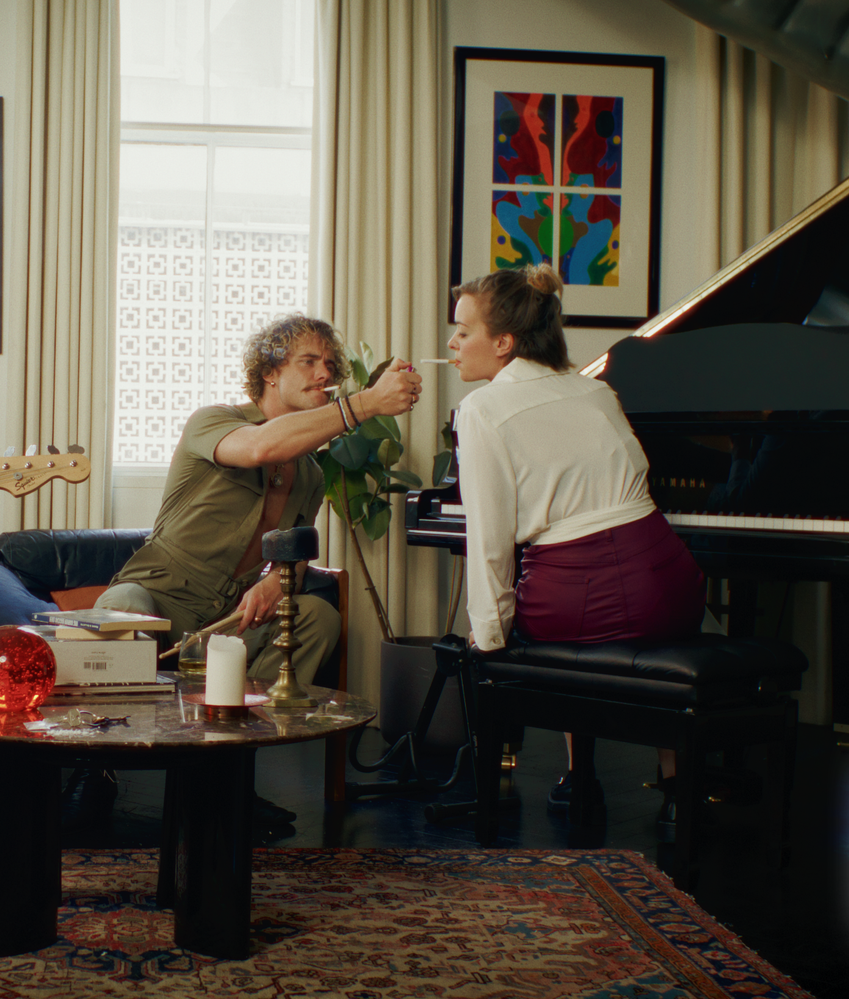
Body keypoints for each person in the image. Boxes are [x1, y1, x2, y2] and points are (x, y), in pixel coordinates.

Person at [75, 314, 424, 830]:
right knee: (124, 609)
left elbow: (297, 548)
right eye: (307, 362)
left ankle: (227, 774)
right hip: (160, 589)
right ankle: (93, 771)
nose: (323, 373)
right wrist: (367, 402)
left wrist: (273, 579)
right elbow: (261, 447)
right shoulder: (213, 421)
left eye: (329, 365)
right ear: (269, 373)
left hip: (230, 610)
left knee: (315, 616)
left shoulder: (308, 470)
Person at [446, 264, 704, 816]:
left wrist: (487, 640)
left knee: (544, 608)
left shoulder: (482, 409)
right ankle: (676, 781)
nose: (453, 342)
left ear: (504, 342)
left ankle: (579, 776)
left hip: (584, 601)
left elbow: (490, 538)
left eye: (464, 331)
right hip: (674, 588)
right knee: (583, 597)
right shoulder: (595, 390)